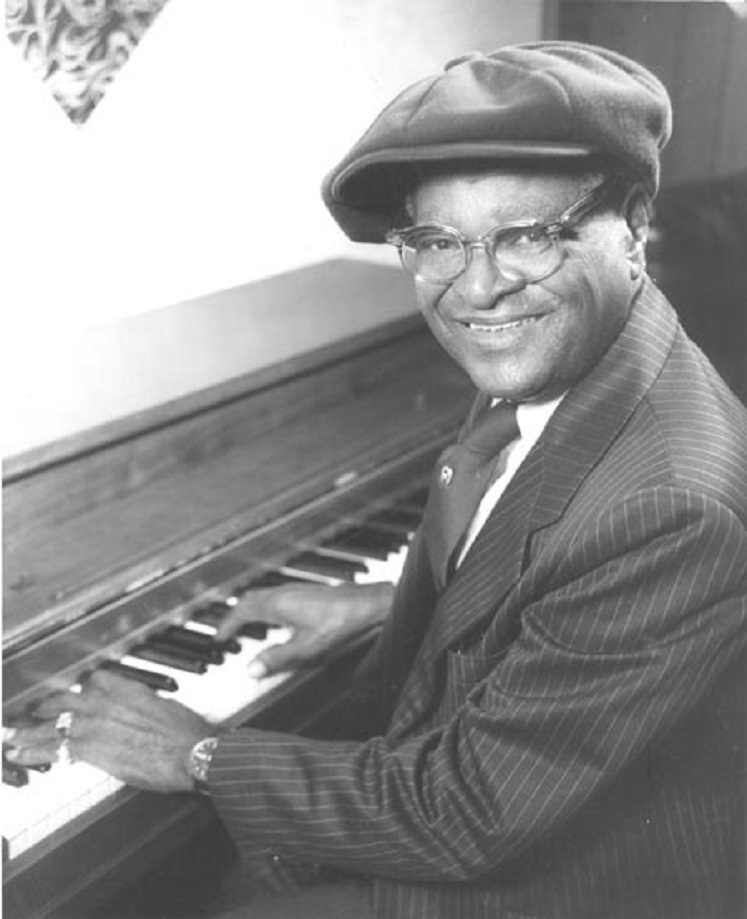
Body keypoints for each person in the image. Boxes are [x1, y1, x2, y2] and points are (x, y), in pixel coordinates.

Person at [5, 42, 747, 919]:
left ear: (632, 224)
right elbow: (548, 577)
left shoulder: (669, 500)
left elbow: (464, 812)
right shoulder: (571, 352)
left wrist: (195, 752)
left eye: (528, 235)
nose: (478, 287)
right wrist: (381, 606)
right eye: (437, 242)